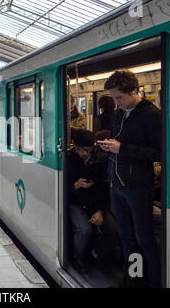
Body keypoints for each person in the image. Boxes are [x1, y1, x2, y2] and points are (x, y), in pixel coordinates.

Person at [98, 70, 161, 288]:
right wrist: (110, 147)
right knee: (126, 237)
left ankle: (153, 283)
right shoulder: (118, 114)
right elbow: (119, 143)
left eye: (119, 98)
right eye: (114, 98)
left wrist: (122, 148)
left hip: (138, 187)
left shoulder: (152, 115)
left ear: (134, 91)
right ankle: (133, 281)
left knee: (144, 239)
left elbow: (159, 152)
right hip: (117, 184)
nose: (116, 102)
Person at [67, 129, 119, 274]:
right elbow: (61, 192)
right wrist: (75, 186)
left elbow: (103, 189)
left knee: (114, 231)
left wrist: (100, 211)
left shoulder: (99, 161)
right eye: (80, 150)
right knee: (84, 231)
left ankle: (97, 253)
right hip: (75, 203)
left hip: (95, 203)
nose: (84, 153)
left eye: (87, 150)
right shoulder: (67, 161)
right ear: (74, 146)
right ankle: (79, 259)